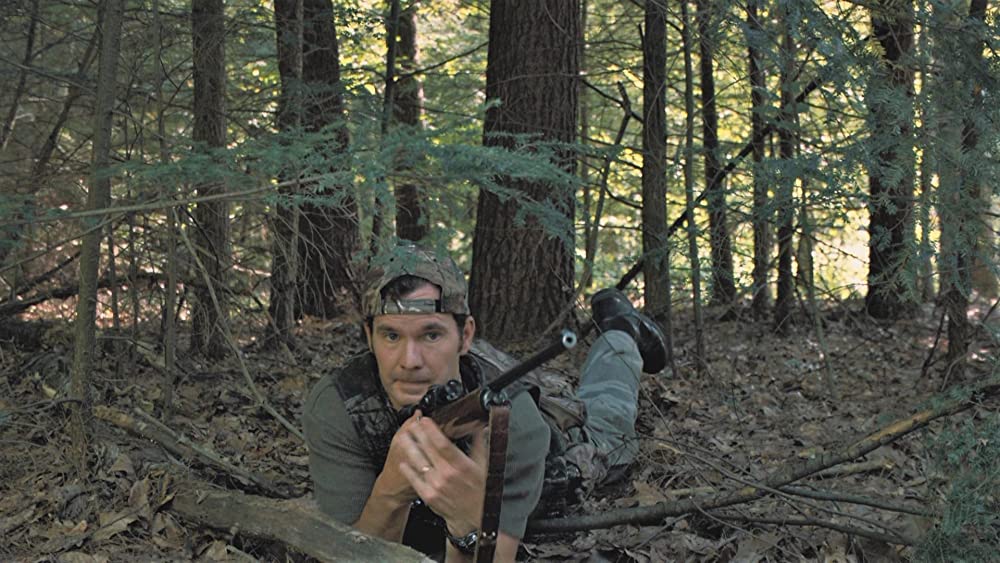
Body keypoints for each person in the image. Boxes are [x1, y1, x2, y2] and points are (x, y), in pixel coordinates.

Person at [303, 241, 667, 562]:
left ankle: (621, 331)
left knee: (609, 429)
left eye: (431, 334)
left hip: (558, 458)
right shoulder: (340, 406)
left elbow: (494, 556)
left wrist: (466, 523)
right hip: (477, 378)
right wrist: (391, 493)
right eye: (391, 336)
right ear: (368, 336)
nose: (409, 360)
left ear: (465, 337)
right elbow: (349, 549)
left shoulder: (512, 418)